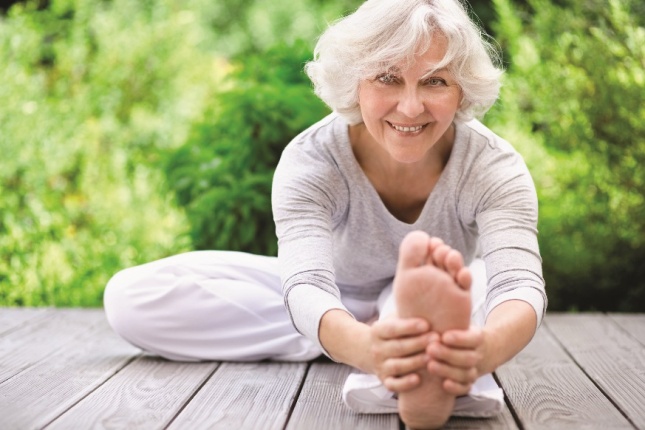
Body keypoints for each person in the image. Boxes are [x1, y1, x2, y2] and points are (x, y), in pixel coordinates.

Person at [103, 0, 547, 428]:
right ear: (354, 82)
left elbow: (520, 283)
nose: (411, 107)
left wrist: (486, 348)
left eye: (435, 82)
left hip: (452, 288)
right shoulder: (311, 160)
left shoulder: (493, 167)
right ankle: (399, 347)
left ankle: (413, 346)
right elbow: (307, 282)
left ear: (462, 89)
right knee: (131, 297)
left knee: (483, 281)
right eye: (388, 78)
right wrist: (362, 343)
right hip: (337, 293)